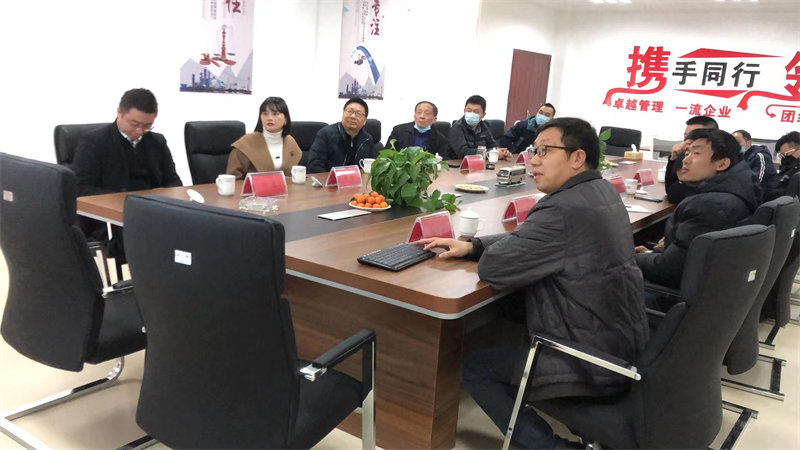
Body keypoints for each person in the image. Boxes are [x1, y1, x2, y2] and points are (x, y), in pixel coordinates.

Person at [419, 118, 649, 449]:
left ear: (577, 158)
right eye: (533, 150)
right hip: (620, 341)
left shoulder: (562, 208)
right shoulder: (600, 192)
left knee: (476, 368)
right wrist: (473, 246)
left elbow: (495, 269)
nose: (533, 160)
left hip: (586, 357)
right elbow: (533, 241)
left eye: (544, 151)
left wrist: (486, 254)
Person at [636, 128, 759, 289]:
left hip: (673, 294)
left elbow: (668, 270)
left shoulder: (710, 205)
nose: (686, 160)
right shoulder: (739, 188)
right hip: (710, 284)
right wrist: (651, 254)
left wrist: (626, 259)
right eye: (687, 153)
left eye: (696, 153)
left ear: (722, 163)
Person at [73, 88, 182, 197]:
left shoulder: (157, 141)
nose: (140, 131)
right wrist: (126, 198)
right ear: (119, 112)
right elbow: (81, 188)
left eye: (147, 126)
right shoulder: (94, 142)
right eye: (134, 124)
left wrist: (165, 193)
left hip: (154, 203)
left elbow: (173, 181)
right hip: (114, 203)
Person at [227, 96, 301, 178]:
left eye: (275, 114)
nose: (269, 118)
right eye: (265, 114)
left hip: (286, 186)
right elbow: (233, 178)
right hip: (252, 186)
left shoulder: (290, 141)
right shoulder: (245, 143)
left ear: (285, 119)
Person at [306, 98, 376, 173]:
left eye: (358, 113)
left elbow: (374, 166)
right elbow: (314, 165)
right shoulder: (325, 134)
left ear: (365, 121)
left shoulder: (367, 139)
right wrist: (332, 178)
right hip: (329, 179)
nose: (353, 116)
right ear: (343, 113)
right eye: (350, 111)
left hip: (358, 180)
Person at [664, 115, 718, 204]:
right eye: (685, 136)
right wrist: (674, 159)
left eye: (693, 136)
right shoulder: (687, 156)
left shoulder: (711, 162)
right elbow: (671, 193)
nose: (687, 141)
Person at [448, 95, 510, 160]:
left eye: (476, 112)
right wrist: (488, 153)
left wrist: (500, 151)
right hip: (457, 164)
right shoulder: (457, 127)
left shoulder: (483, 126)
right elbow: (463, 152)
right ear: (464, 110)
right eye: (468, 111)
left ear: (483, 114)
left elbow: (492, 145)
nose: (471, 114)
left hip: (479, 163)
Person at [384, 101, 451, 156]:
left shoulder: (440, 139)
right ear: (414, 116)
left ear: (434, 119)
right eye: (419, 112)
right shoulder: (399, 131)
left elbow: (445, 161)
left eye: (427, 113)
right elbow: (386, 155)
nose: (422, 116)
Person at [764, 131, 800, 201]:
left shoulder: (796, 172)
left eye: (786, 154)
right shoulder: (788, 167)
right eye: (781, 155)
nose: (784, 158)